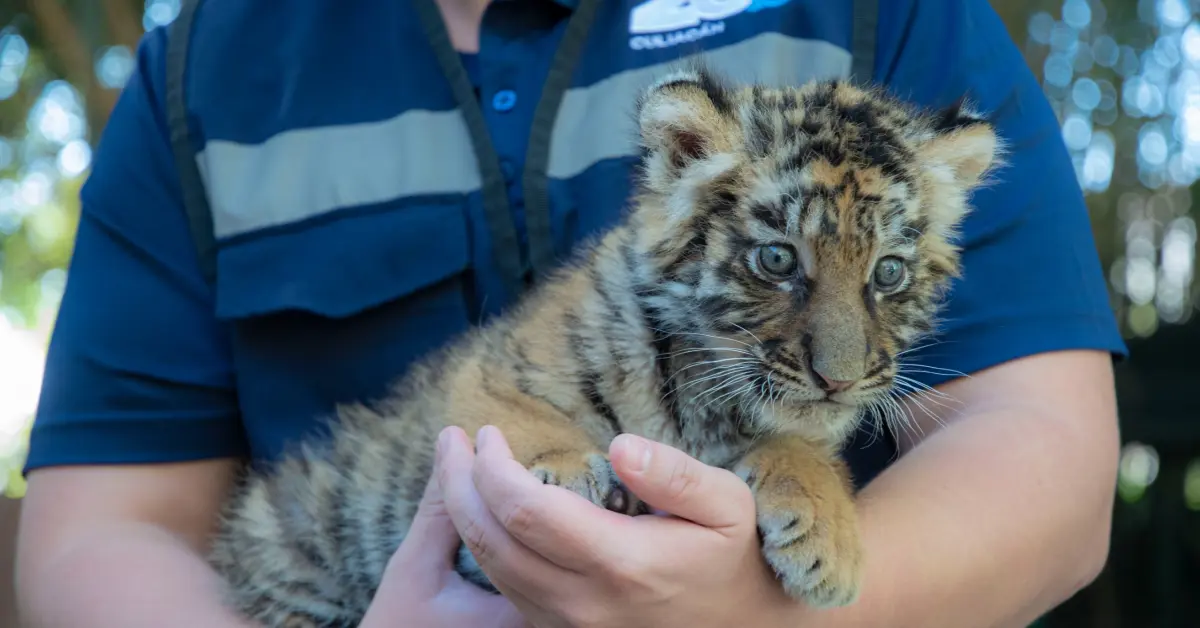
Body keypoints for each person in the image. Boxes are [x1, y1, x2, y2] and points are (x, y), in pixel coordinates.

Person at [14, 0, 1127, 626]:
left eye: (880, 281)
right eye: (783, 265)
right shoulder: (199, 70)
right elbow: (103, 530)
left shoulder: (888, 12)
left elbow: (1044, 452)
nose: (841, 354)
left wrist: (768, 617)